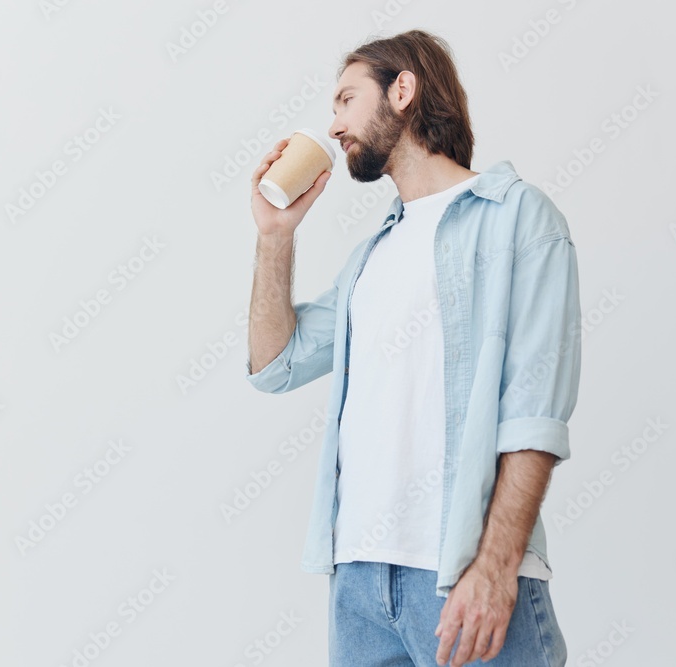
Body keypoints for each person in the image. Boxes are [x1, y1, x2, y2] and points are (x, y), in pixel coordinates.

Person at [245, 28, 580, 667]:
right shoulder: (374, 255)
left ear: (403, 90)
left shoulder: (519, 217)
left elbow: (535, 414)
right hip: (361, 584)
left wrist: (495, 567)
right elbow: (275, 365)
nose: (334, 126)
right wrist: (274, 238)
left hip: (460, 576)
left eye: (346, 99)